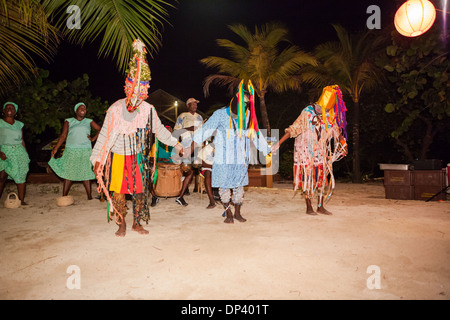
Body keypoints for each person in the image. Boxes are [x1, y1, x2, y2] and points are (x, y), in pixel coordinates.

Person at [90, 39, 183, 237]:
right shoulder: (115, 109)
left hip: (138, 157)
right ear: (127, 87)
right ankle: (121, 224)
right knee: (118, 192)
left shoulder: (148, 110)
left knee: (140, 191)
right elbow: (104, 136)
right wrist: (97, 159)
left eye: (142, 92)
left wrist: (177, 144)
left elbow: (160, 131)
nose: (137, 96)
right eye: (134, 90)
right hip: (117, 157)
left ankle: (137, 223)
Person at [192, 80, 271, 223]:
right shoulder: (220, 114)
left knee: (239, 187)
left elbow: (255, 133)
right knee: (224, 187)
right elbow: (205, 130)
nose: (245, 106)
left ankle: (237, 213)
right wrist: (190, 146)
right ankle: (228, 214)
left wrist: (267, 149)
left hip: (240, 158)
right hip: (223, 158)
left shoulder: (247, 116)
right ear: (236, 101)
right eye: (243, 103)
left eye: (247, 104)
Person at [271, 85, 348, 215]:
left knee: (322, 179)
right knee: (308, 179)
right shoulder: (307, 112)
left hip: (320, 152)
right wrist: (278, 143)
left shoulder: (329, 115)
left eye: (328, 109)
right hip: (305, 152)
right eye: (324, 108)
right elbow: (294, 128)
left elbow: (336, 131)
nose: (326, 111)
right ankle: (309, 207)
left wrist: (343, 145)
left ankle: (320, 206)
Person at [49, 102, 101, 200]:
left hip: (85, 150)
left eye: (84, 108)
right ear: (76, 110)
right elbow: (63, 135)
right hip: (71, 150)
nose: (83, 109)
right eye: (81, 108)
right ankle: (64, 196)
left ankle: (89, 197)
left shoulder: (89, 121)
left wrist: (93, 138)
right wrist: (55, 148)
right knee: (69, 172)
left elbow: (101, 129)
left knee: (85, 172)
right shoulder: (69, 121)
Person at [173, 97, 203, 206]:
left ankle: (186, 191)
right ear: (188, 105)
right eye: (193, 104)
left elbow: (202, 131)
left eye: (196, 104)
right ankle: (181, 192)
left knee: (195, 169)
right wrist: (189, 128)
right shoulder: (182, 116)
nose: (195, 106)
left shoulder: (200, 117)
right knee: (186, 169)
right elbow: (176, 131)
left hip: (197, 146)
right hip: (186, 146)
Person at [0, 102, 30, 205]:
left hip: (19, 151)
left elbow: (21, 139)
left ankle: (21, 201)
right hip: (4, 152)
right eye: (7, 107)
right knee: (1, 176)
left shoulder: (19, 124)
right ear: (3, 111)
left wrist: (25, 154)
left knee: (21, 175)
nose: (10, 109)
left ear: (15, 112)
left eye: (12, 108)